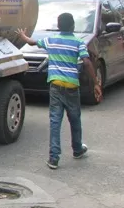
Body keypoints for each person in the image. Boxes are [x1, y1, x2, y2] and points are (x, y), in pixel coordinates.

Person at [16, 12, 102, 169]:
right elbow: (87, 62)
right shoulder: (78, 42)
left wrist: (23, 35)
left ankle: (54, 158)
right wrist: (95, 83)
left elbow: (32, 42)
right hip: (72, 87)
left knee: (55, 121)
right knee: (75, 119)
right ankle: (77, 150)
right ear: (73, 26)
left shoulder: (51, 40)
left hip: (55, 86)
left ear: (58, 25)